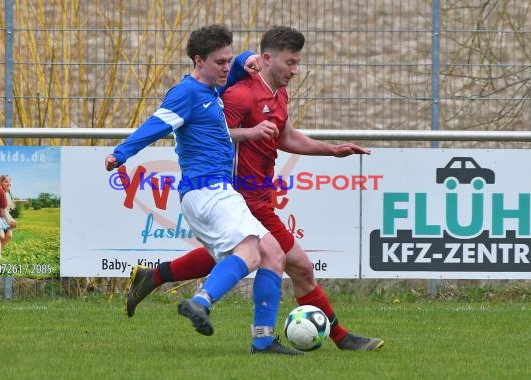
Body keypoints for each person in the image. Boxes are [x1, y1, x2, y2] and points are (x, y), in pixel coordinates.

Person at [124, 26, 384, 351]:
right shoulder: (239, 94)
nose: (294, 70)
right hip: (240, 196)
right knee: (287, 261)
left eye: (297, 63)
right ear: (266, 58)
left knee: (237, 255)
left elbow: (286, 137)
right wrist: (248, 131)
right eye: (289, 62)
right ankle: (330, 338)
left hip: (260, 195)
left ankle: (156, 277)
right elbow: (214, 131)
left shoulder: (279, 95)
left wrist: (331, 150)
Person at [105, 24, 302, 355]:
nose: (227, 68)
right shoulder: (186, 94)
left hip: (215, 191)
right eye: (220, 62)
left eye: (228, 60)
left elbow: (236, 66)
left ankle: (264, 340)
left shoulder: (211, 88)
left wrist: (244, 59)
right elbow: (155, 125)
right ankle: (201, 301)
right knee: (252, 252)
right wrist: (120, 153)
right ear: (199, 61)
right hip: (207, 191)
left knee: (273, 253)